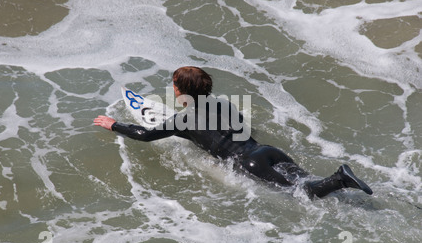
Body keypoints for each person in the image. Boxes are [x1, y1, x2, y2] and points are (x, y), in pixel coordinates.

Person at [94, 66, 373, 199]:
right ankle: (338, 182)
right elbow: (229, 131)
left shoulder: (184, 119)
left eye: (175, 86)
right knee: (307, 181)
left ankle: (340, 179)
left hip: (248, 163)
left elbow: (144, 134)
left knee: (302, 193)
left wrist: (114, 125)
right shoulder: (223, 105)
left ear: (181, 91)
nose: (174, 89)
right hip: (266, 151)